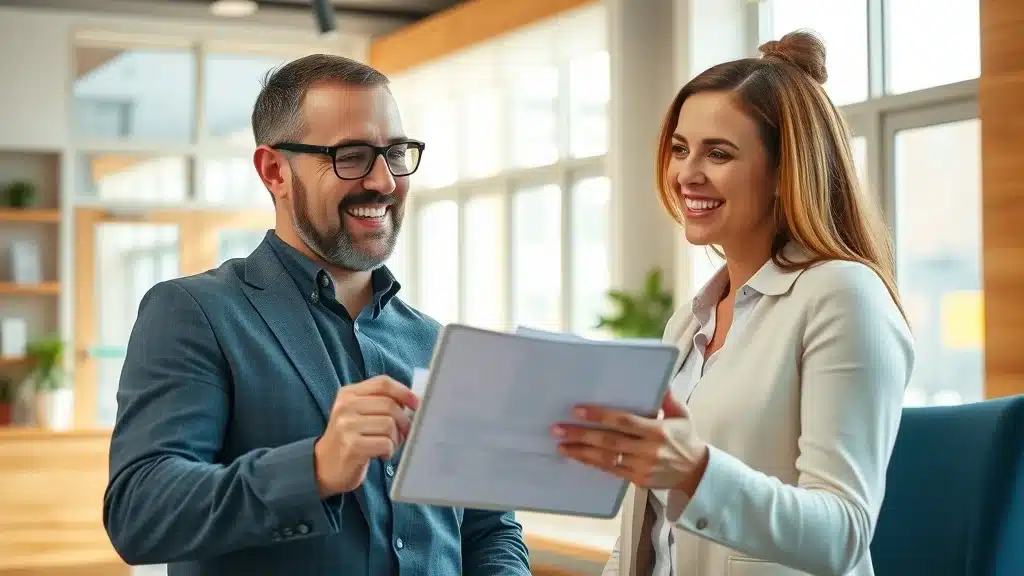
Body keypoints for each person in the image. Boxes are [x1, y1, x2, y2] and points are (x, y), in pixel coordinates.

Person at [103, 54, 531, 576]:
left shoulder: (436, 342)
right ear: (274, 171)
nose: (384, 181)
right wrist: (316, 468)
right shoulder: (195, 313)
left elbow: (489, 530)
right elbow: (140, 514)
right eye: (351, 156)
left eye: (395, 153)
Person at [552, 31, 914, 576]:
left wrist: (695, 472)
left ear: (782, 171)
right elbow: (649, 535)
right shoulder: (688, 322)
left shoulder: (843, 296)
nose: (686, 174)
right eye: (680, 148)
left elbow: (842, 533)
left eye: (718, 153)